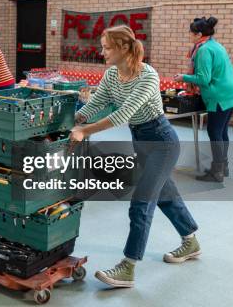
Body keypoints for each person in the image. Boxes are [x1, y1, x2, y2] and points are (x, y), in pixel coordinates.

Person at [71, 26, 200, 288]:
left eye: (107, 47)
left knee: (142, 202)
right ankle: (191, 240)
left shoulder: (147, 76)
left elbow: (122, 115)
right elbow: (99, 104)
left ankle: (128, 267)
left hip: (162, 142)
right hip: (141, 140)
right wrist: (78, 116)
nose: (102, 51)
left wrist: (85, 130)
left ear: (124, 48)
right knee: (164, 195)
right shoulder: (111, 75)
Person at [175, 17, 233, 182]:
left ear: (199, 34)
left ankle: (217, 172)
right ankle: (223, 166)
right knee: (221, 131)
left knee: (214, 132)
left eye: (190, 33)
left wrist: (183, 77)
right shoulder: (215, 44)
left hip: (219, 95)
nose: (189, 35)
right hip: (231, 93)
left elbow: (203, 78)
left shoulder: (204, 50)